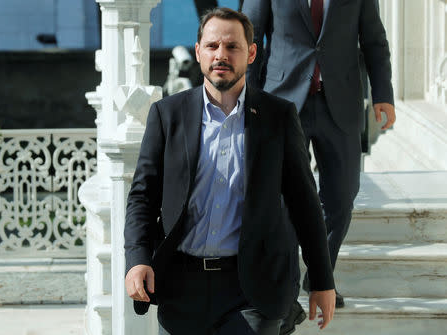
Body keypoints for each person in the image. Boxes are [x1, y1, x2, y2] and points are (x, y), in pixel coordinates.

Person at [124, 7, 335, 335]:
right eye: (212, 46)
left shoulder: (278, 117)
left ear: (251, 53)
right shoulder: (168, 116)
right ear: (198, 52)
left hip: (251, 289)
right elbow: (142, 196)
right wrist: (137, 258)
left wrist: (322, 282)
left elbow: (305, 204)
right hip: (180, 287)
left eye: (232, 46)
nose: (221, 54)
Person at [242, 0, 395, 333]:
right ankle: (286, 290)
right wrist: (248, 95)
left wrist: (383, 93)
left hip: (339, 103)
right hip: (282, 100)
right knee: (283, 202)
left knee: (341, 197)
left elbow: (373, 39)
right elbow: (248, 38)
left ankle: (319, 276)